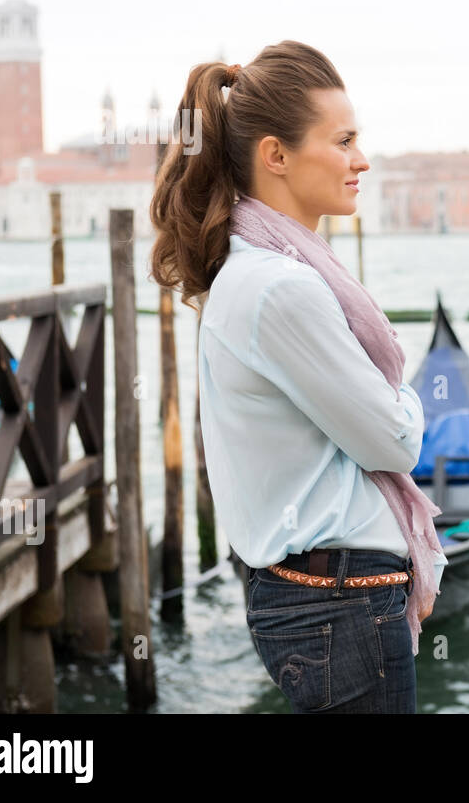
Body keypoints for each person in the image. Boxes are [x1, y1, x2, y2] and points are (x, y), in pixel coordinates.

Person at [149, 41, 446, 713]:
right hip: (338, 606)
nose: (361, 160)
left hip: (322, 601)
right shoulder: (280, 288)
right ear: (275, 155)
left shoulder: (261, 272)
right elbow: (395, 442)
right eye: (342, 141)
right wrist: (402, 393)